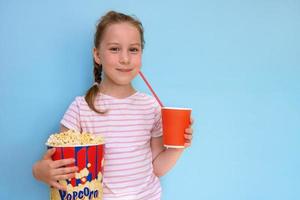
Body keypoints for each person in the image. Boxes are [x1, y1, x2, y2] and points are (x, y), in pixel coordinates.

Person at [32, 10, 194, 200]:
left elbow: (157, 167)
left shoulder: (151, 107)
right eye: (115, 49)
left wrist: (178, 145)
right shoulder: (81, 108)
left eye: (133, 49)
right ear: (97, 55)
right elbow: (59, 163)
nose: (125, 59)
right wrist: (39, 171)